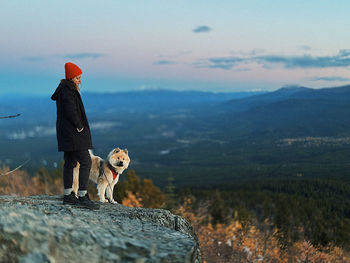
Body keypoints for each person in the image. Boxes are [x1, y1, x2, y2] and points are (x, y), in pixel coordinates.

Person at [51, 62, 99, 209]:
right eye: (77, 78)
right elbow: (71, 111)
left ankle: (68, 195)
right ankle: (82, 196)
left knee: (70, 162)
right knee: (86, 161)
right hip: (73, 134)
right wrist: (79, 127)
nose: (79, 80)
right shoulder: (67, 91)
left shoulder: (65, 89)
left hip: (67, 134)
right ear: (71, 78)